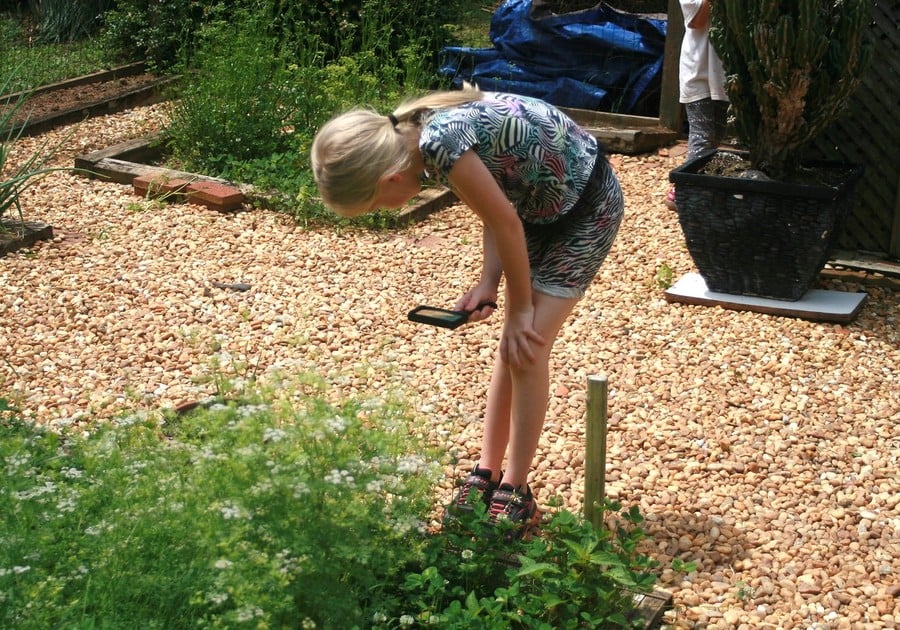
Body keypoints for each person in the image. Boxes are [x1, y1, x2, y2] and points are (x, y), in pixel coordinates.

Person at [311, 86, 624, 538]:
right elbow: (498, 203)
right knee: (512, 347)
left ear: (390, 180)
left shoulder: (438, 145)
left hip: (586, 207)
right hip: (539, 204)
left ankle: (517, 489)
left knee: (528, 345)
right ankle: (487, 472)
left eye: (377, 206)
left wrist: (519, 310)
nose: (386, 211)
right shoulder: (418, 138)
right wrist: (489, 282)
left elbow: (506, 221)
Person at [666, 0, 729, 210]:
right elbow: (696, 22)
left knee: (717, 134)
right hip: (698, 71)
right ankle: (684, 191)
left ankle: (701, 188)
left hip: (727, 71)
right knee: (703, 134)